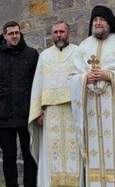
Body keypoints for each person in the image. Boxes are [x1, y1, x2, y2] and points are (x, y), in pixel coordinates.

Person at [69, 5, 115, 187]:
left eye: (101, 19)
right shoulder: (84, 46)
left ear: (109, 22)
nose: (98, 22)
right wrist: (85, 78)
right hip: (92, 111)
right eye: (95, 20)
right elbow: (72, 77)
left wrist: (109, 76)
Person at [0, 21, 39, 187]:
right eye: (11, 33)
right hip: (4, 113)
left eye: (17, 33)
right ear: (4, 36)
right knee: (9, 155)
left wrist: (39, 110)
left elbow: (38, 83)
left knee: (30, 155)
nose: (14, 36)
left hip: (27, 112)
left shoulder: (32, 54)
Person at [28, 21, 83, 187]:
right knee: (53, 152)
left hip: (72, 110)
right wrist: (38, 112)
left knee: (73, 150)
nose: (58, 35)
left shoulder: (78, 52)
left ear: (68, 33)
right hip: (50, 113)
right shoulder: (44, 56)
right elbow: (38, 84)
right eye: (55, 32)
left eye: (62, 31)